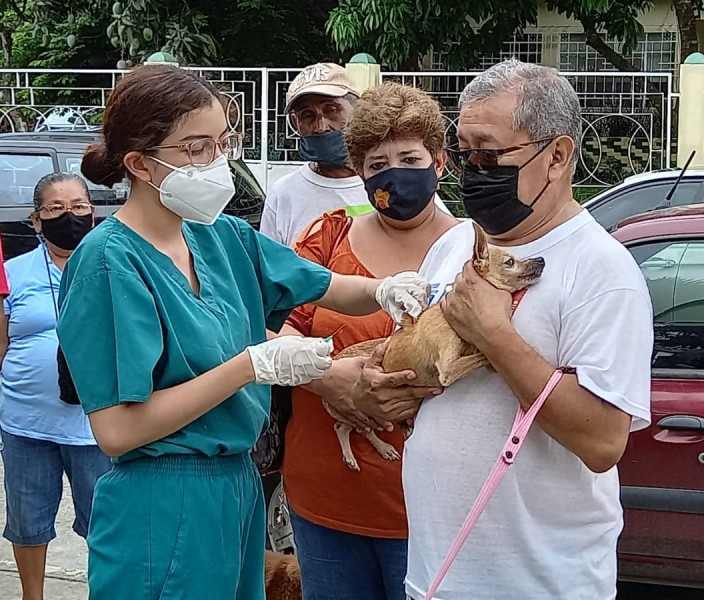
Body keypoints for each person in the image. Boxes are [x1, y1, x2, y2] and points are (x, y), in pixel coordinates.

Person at [55, 64, 430, 600]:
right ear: (140, 163)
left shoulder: (222, 238)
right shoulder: (108, 264)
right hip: (163, 501)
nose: (216, 162)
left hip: (238, 486)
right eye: (195, 148)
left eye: (222, 143)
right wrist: (251, 366)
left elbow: (323, 285)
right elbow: (118, 430)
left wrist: (384, 290)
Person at [401, 59, 654, 599]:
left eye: (489, 155)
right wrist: (378, 390)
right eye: (465, 153)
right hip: (435, 576)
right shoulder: (454, 247)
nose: (472, 171)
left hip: (539, 585)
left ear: (557, 156)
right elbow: (424, 380)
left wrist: (496, 335)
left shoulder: (602, 272)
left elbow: (603, 440)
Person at [278, 82, 460, 600]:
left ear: (439, 161)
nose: (394, 173)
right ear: (359, 173)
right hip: (326, 499)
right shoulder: (325, 239)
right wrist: (328, 380)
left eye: (409, 157)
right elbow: (272, 330)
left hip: (430, 508)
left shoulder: (472, 252)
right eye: (378, 164)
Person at [0, 173, 110, 600]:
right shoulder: (13, 273)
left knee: (103, 522)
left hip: (96, 425)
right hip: (26, 422)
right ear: (35, 220)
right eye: (56, 209)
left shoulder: (111, 265)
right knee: (28, 523)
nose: (70, 216)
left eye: (79, 206)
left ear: (93, 212)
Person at [259, 63, 451, 247]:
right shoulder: (284, 194)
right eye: (308, 115)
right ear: (295, 123)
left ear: (357, 110)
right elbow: (270, 271)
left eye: (331, 110)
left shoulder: (392, 180)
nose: (321, 127)